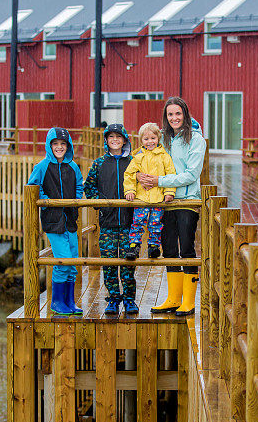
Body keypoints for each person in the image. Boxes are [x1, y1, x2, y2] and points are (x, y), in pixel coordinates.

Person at [138, 97, 206, 316]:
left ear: (185, 114)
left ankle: (188, 301)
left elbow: (191, 175)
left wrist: (160, 181)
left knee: (186, 247)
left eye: (178, 113)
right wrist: (139, 174)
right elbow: (149, 157)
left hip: (186, 200)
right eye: (170, 114)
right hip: (164, 201)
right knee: (168, 248)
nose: (174, 118)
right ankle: (173, 298)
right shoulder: (164, 139)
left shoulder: (196, 139)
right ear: (165, 117)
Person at [27, 127, 84, 316]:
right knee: (63, 260)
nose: (59, 147)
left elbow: (78, 185)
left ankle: (69, 301)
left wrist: (74, 203)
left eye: (63, 144)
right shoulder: (42, 166)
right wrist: (47, 202)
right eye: (55, 144)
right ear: (49, 146)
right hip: (53, 221)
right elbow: (33, 186)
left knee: (73, 260)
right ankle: (56, 302)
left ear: (68, 146)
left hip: (70, 219)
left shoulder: (73, 167)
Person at [84, 124, 137, 315]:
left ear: (125, 140)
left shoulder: (133, 162)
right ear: (106, 140)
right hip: (107, 223)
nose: (115, 140)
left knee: (128, 263)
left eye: (119, 136)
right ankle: (113, 299)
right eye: (111, 137)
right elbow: (89, 187)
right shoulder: (99, 164)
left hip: (130, 224)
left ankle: (130, 299)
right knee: (109, 263)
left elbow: (141, 185)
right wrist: (99, 202)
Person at [123, 122, 176, 261]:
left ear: (158, 138)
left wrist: (169, 192)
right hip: (141, 198)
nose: (150, 142)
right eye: (146, 139)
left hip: (158, 197)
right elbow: (129, 174)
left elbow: (170, 174)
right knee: (138, 222)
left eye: (153, 138)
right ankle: (134, 246)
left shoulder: (164, 157)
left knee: (156, 222)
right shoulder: (138, 157)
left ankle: (154, 246)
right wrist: (130, 190)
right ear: (141, 140)